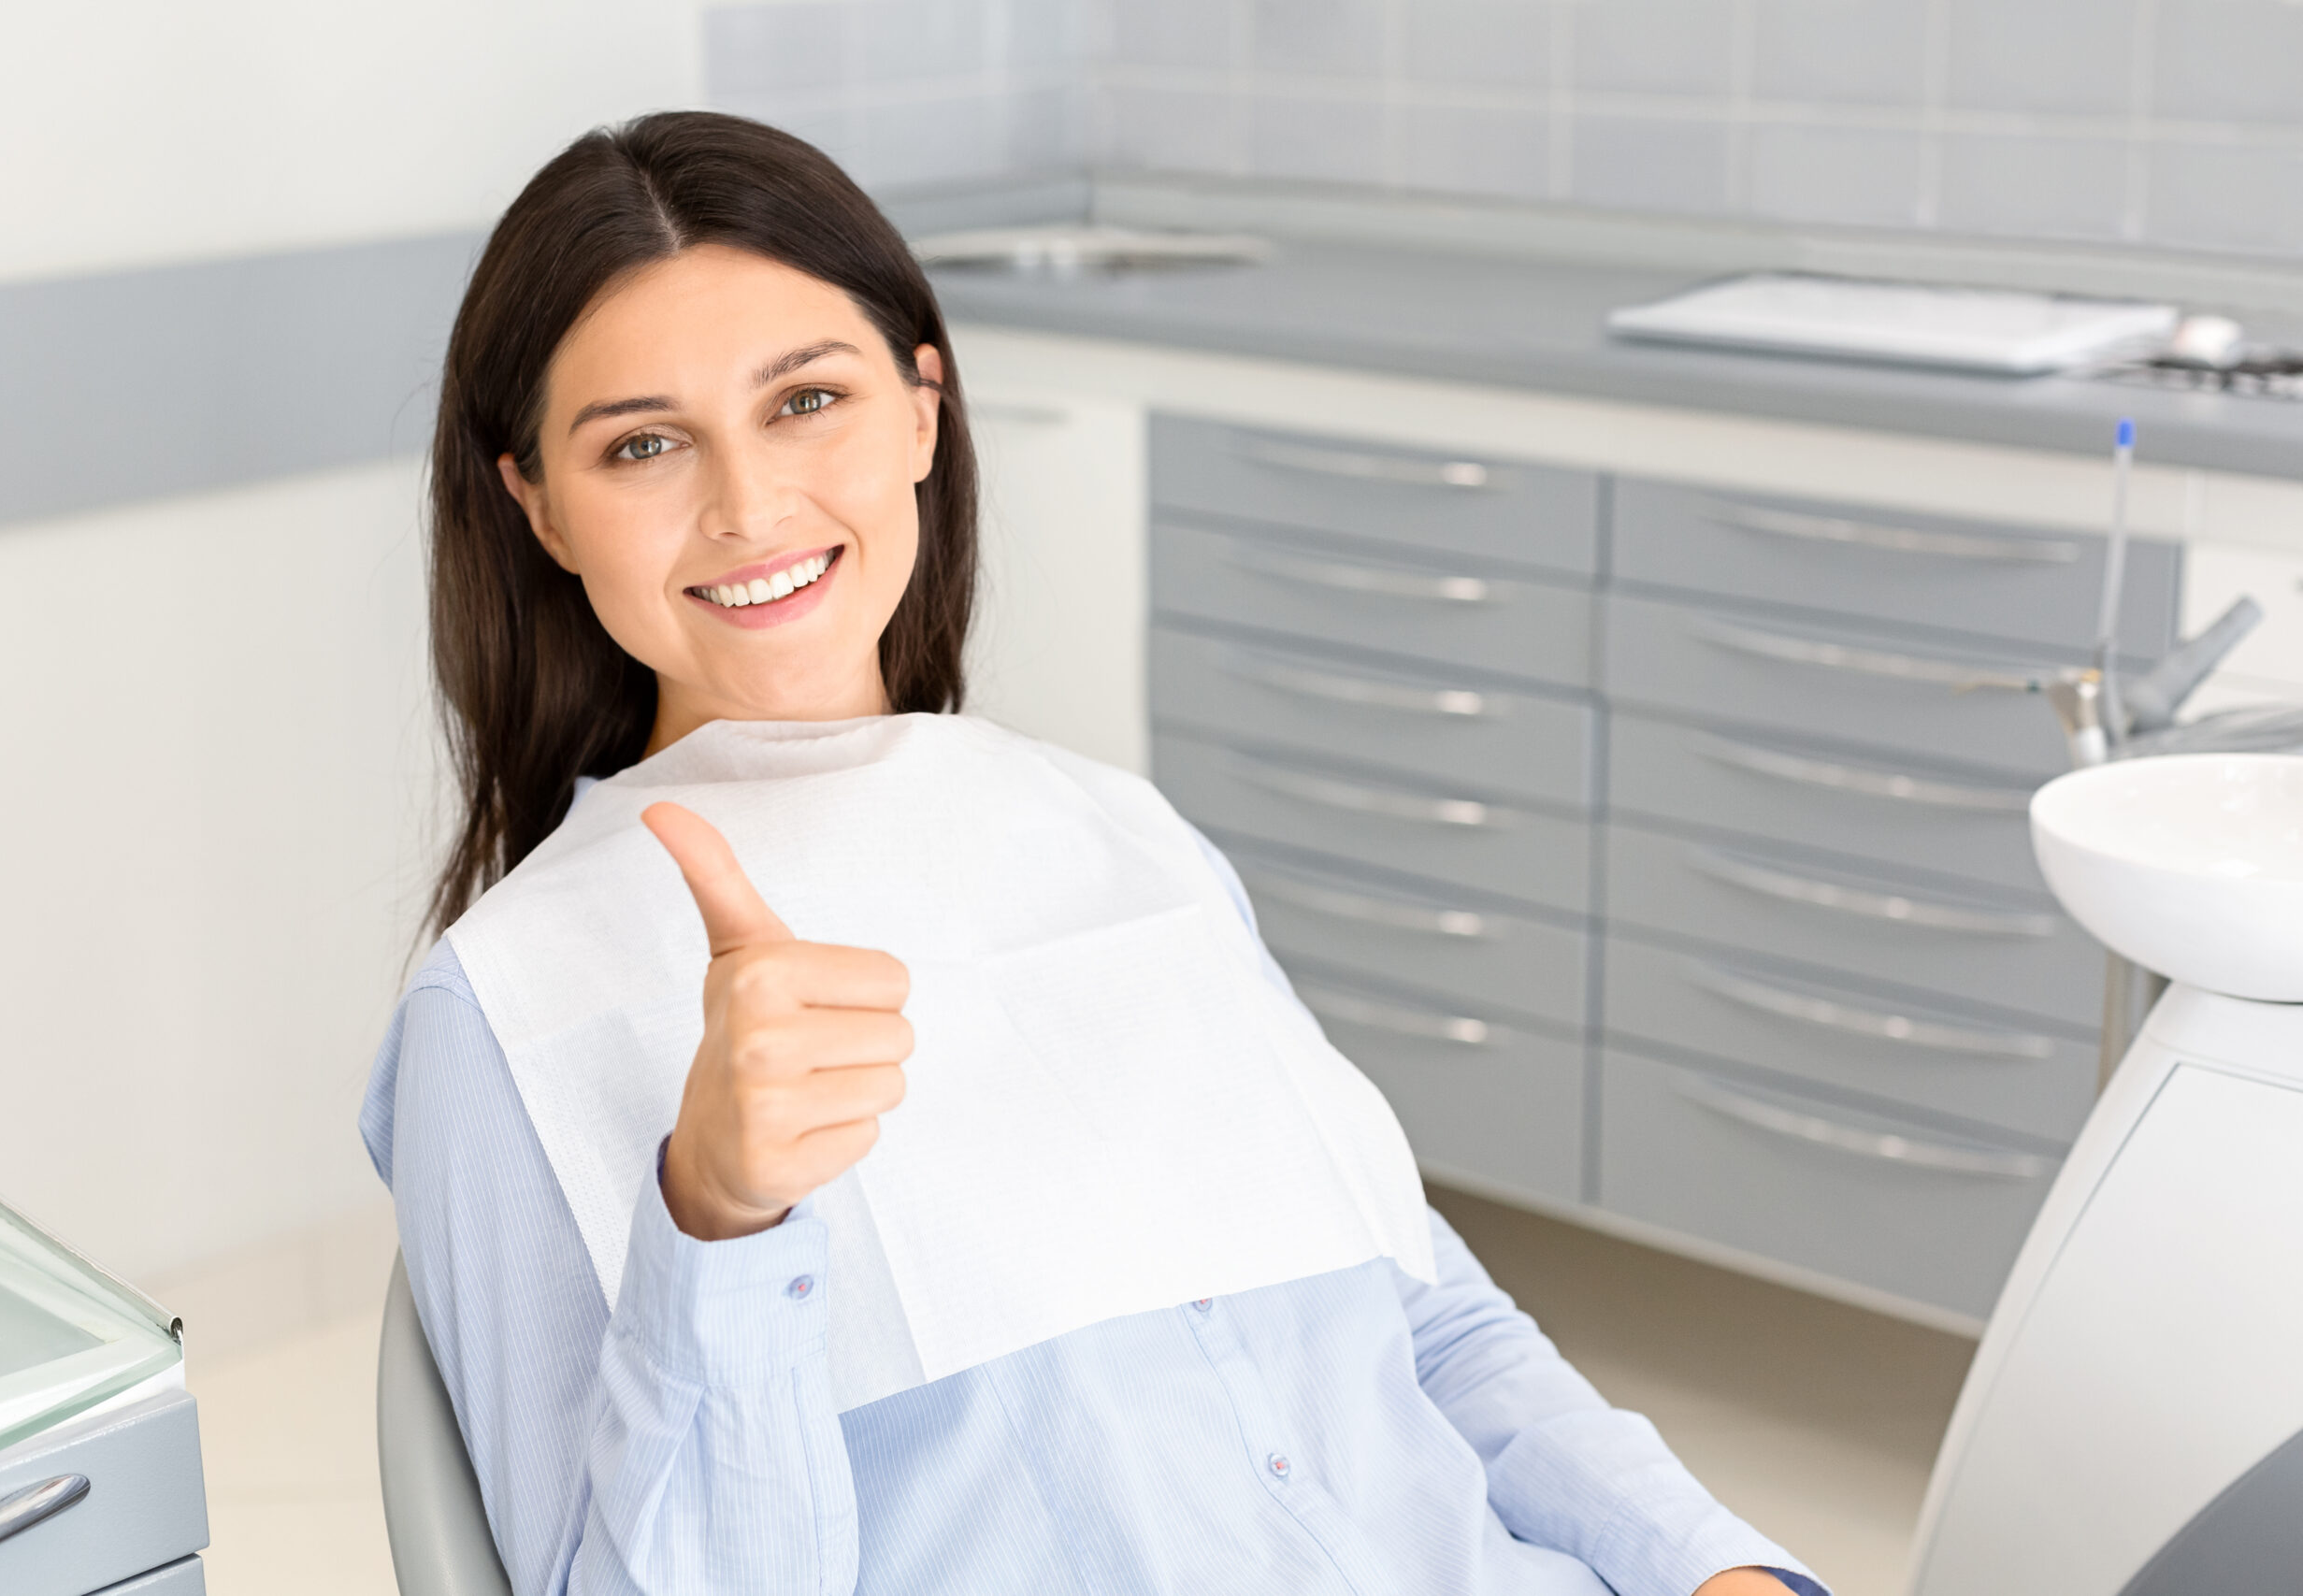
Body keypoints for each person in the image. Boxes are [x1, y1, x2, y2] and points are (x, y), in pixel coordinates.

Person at [361, 110, 1826, 1596]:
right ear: (537, 503)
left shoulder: (1128, 836)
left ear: (922, 412)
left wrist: (1715, 1568)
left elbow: (1428, 1318)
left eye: (806, 401)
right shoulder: (511, 1013)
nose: (750, 508)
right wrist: (720, 1223)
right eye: (646, 444)